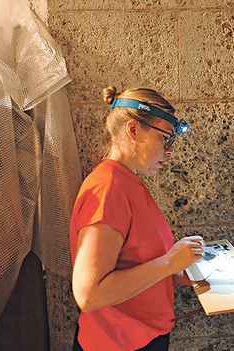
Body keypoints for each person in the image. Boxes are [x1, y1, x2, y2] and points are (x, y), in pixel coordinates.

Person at [69, 86, 205, 351]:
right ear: (133, 130)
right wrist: (168, 262)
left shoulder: (129, 181)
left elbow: (135, 264)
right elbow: (89, 294)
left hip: (141, 339)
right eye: (165, 138)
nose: (170, 151)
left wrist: (179, 268)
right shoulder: (108, 188)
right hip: (116, 344)